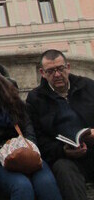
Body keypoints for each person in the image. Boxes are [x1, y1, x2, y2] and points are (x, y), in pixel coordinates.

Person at [0, 68, 61, 200]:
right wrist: (8, 157)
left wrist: (25, 153)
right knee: (21, 185)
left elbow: (29, 131)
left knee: (46, 183)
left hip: (27, 156)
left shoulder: (16, 105)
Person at [26, 49, 94, 200]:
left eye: (60, 69)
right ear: (42, 73)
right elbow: (38, 139)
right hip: (65, 157)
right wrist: (63, 150)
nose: (57, 75)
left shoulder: (88, 86)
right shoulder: (35, 99)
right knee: (64, 170)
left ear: (68, 67)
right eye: (50, 71)